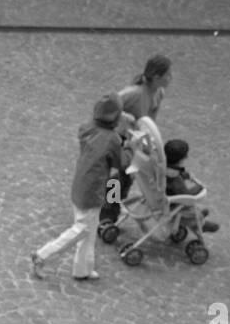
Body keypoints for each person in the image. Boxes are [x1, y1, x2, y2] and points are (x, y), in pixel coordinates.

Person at [32, 95, 125, 281]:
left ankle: (82, 269)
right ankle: (43, 255)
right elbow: (121, 162)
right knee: (82, 229)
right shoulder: (112, 139)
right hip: (94, 190)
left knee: (88, 233)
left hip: (81, 184)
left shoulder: (87, 128)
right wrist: (129, 147)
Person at [100, 54, 173, 226]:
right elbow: (107, 105)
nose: (171, 78)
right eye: (168, 75)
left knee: (130, 175)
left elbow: (150, 119)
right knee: (115, 178)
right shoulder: (135, 93)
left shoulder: (159, 93)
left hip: (135, 140)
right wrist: (126, 118)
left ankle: (116, 204)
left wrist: (149, 143)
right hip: (119, 139)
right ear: (157, 77)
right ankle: (106, 215)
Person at [163, 139, 219, 233]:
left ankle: (198, 216)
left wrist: (184, 175)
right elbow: (186, 198)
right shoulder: (176, 180)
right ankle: (201, 224)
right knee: (193, 205)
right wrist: (199, 187)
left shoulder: (161, 168)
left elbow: (173, 173)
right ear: (183, 158)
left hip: (160, 197)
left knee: (192, 204)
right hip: (172, 205)